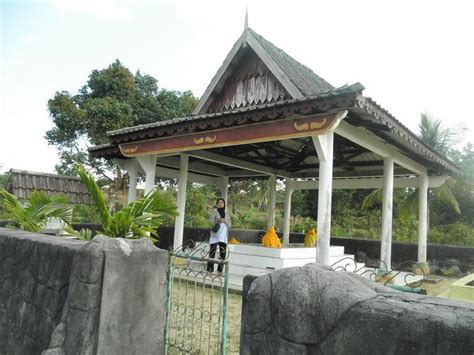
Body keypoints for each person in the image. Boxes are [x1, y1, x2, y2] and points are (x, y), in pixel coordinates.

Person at [206, 198, 231, 275]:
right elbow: (210, 220)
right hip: (215, 235)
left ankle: (220, 271)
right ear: (217, 204)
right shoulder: (215, 212)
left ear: (224, 205)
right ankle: (210, 270)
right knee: (212, 252)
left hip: (223, 236)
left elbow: (229, 225)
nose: (220, 204)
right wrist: (214, 211)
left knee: (222, 253)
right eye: (219, 202)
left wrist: (224, 221)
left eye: (222, 203)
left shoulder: (226, 214)